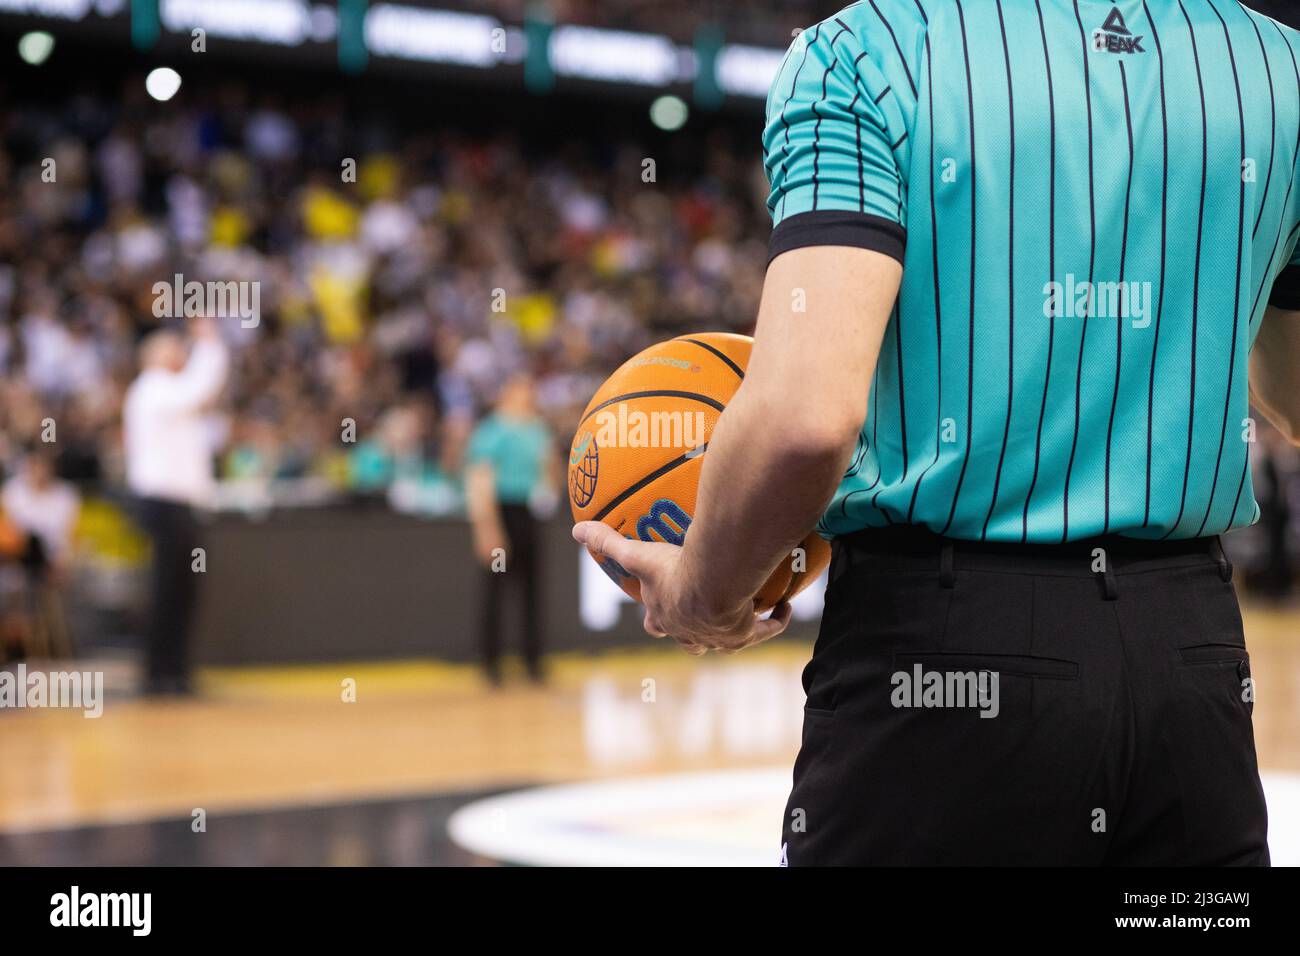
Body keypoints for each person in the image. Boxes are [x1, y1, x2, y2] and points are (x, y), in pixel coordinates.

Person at [575, 0, 1299, 865]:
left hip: (946, 654)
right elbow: (1292, 394)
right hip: (1192, 664)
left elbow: (805, 421)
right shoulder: (1280, 69)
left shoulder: (864, 52)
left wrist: (704, 592)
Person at [123, 319, 229, 695]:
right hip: (164, 503)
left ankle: (175, 672)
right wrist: (209, 342)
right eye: (174, 347)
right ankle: (160, 675)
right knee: (169, 590)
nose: (181, 352)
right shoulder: (153, 389)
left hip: (180, 504)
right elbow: (199, 389)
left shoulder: (166, 394)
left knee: (182, 590)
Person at [465, 373, 557, 685]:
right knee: (496, 591)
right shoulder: (492, 431)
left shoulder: (537, 429)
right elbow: (479, 479)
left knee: (532, 590)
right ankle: (491, 664)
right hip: (502, 511)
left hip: (529, 512)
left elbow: (549, 468)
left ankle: (533, 661)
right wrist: (487, 529)